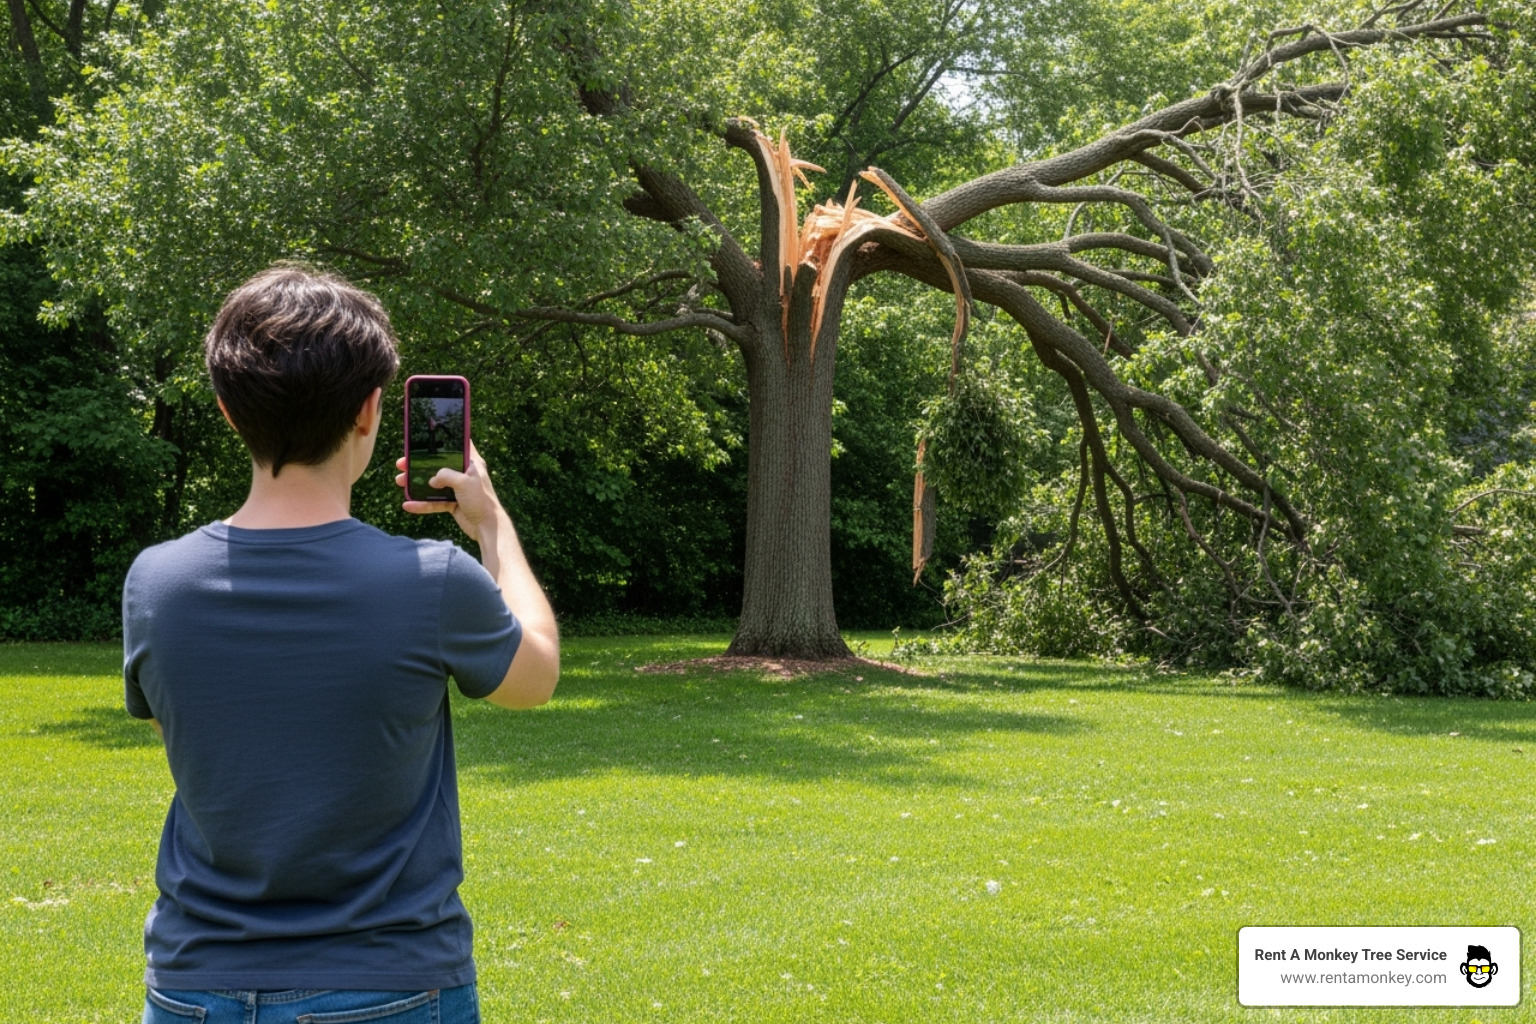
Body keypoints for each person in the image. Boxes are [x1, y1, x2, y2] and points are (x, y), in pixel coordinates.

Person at [122, 265, 559, 1024]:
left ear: (228, 413)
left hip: (195, 986)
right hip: (388, 984)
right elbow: (535, 675)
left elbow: (183, 734)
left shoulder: (157, 583)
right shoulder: (433, 580)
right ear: (369, 411)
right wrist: (492, 527)